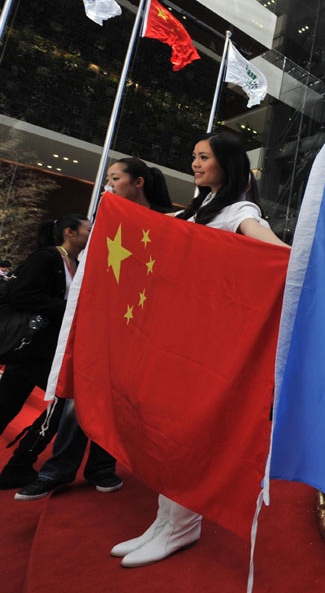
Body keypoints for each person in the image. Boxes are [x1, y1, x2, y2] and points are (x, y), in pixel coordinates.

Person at [110, 133, 286, 568]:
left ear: (227, 162)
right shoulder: (197, 209)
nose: (195, 163)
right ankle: (164, 521)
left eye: (203, 157)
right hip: (177, 338)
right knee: (166, 430)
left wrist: (306, 259)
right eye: (194, 156)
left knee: (187, 433)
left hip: (207, 345)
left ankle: (182, 526)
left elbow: (274, 249)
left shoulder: (240, 211)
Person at [11, 158, 175, 500]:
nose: (109, 185)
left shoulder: (168, 222)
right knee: (78, 396)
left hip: (138, 326)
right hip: (97, 324)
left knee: (119, 400)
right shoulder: (106, 220)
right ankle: (57, 470)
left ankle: (102, 466)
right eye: (108, 179)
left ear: (138, 182)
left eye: (115, 178)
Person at [0, 215, 91, 488]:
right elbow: (20, 294)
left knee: (7, 404)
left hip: (42, 350)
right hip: (30, 347)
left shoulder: (75, 265)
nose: (92, 234)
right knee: (61, 401)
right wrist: (67, 308)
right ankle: (20, 463)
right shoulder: (47, 258)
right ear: (69, 232)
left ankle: (19, 466)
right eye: (88, 229)